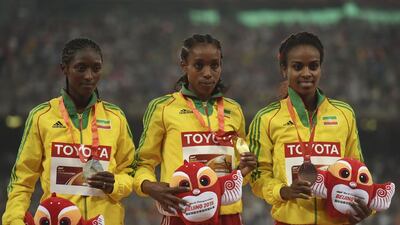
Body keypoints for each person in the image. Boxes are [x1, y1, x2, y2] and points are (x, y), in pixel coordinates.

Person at [2, 38, 135, 225]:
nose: (89, 76)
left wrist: (116, 184)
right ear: (64, 68)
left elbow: (130, 172)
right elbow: (22, 181)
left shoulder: (116, 117)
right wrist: (13, 221)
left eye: (96, 69)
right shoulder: (42, 116)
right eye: (81, 68)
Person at [131, 34, 257, 225]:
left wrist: (244, 170)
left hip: (227, 215)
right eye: (199, 65)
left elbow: (240, 171)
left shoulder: (234, 110)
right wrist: (148, 186)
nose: (208, 73)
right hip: (180, 212)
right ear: (184, 65)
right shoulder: (163, 108)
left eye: (214, 66)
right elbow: (143, 163)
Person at [247, 32, 371, 225]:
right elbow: (257, 175)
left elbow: (357, 168)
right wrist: (283, 191)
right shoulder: (266, 118)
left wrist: (361, 208)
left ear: (320, 68)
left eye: (313, 66)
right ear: (284, 70)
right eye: (297, 67)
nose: (307, 73)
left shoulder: (344, 114)